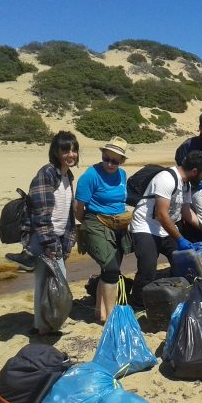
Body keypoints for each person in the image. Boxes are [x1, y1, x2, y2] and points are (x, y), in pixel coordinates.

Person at [129, 151, 202, 307]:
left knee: (183, 263)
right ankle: (137, 303)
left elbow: (186, 212)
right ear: (194, 171)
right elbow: (161, 214)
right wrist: (180, 238)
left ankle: (176, 297)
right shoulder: (166, 179)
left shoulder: (186, 184)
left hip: (165, 228)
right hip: (145, 226)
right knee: (147, 269)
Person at [23, 131, 79, 334]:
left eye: (73, 150)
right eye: (65, 150)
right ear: (56, 151)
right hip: (44, 238)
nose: (70, 154)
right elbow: (40, 212)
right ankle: (43, 327)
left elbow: (65, 211)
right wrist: (48, 243)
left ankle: (45, 323)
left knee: (53, 282)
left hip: (58, 236)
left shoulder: (66, 176)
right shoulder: (47, 173)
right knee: (48, 282)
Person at [75, 136, 133, 323]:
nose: (110, 164)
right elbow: (79, 208)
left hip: (118, 224)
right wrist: (88, 225)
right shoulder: (90, 175)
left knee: (107, 271)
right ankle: (111, 317)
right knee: (111, 269)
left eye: (115, 161)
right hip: (95, 221)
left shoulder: (122, 174)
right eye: (107, 159)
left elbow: (121, 200)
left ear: (121, 162)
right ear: (102, 155)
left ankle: (99, 312)